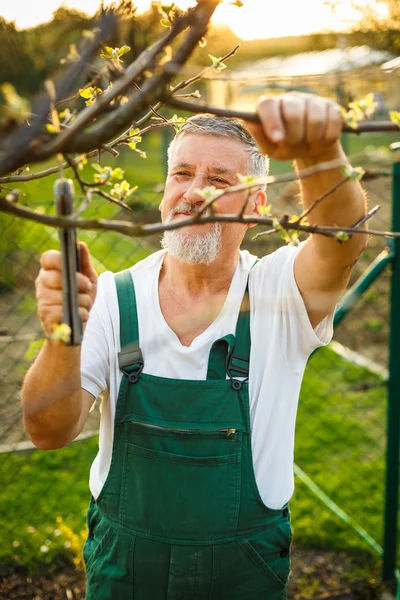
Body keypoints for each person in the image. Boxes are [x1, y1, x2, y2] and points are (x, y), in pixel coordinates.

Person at [21, 92, 367, 600]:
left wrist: (318, 151)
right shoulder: (114, 300)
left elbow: (342, 238)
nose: (193, 193)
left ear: (256, 206)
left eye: (220, 180)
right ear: (164, 192)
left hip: (243, 572)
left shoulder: (277, 296)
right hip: (125, 570)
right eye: (182, 174)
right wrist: (61, 337)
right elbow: (48, 429)